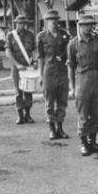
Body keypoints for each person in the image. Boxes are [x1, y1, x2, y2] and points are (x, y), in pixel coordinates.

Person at [67, 14, 98, 156]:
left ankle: (93, 141)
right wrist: (72, 87)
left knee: (96, 114)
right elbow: (71, 66)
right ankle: (84, 143)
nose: (89, 27)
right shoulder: (73, 44)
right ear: (80, 26)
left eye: (91, 24)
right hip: (82, 82)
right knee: (83, 115)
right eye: (85, 25)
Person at [37, 10, 70, 139]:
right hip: (48, 72)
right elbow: (40, 57)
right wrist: (40, 75)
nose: (53, 22)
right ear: (47, 21)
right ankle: (52, 128)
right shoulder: (41, 36)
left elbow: (69, 54)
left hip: (62, 71)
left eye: (55, 19)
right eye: (51, 20)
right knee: (49, 101)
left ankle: (60, 128)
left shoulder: (65, 35)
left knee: (62, 100)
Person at [5, 15, 37, 125]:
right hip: (16, 68)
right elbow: (8, 52)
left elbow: (34, 50)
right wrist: (17, 64)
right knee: (18, 92)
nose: (21, 25)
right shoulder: (11, 35)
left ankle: (28, 115)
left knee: (28, 90)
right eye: (19, 23)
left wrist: (35, 61)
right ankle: (20, 116)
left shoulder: (31, 35)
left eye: (23, 23)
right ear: (16, 23)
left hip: (28, 66)